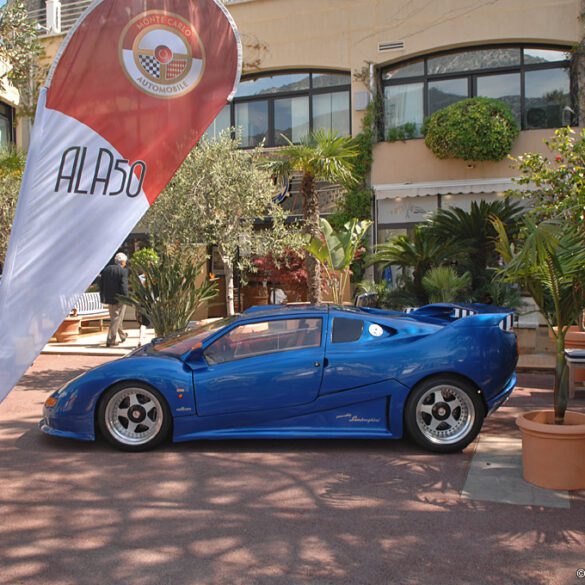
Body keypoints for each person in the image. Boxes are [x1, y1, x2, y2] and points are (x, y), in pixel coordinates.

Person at [100, 252, 129, 347]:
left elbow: (101, 285)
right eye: (125, 262)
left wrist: (102, 297)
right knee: (116, 318)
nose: (125, 264)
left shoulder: (106, 270)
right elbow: (124, 286)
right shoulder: (123, 271)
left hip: (109, 298)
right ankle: (110, 339)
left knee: (116, 318)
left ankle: (123, 336)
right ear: (122, 262)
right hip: (119, 299)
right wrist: (126, 298)